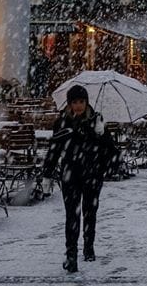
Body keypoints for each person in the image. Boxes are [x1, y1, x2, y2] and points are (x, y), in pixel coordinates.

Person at [43, 84, 116, 273]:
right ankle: (71, 255)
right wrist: (47, 172)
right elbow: (55, 148)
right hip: (71, 174)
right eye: (74, 102)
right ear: (69, 103)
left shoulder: (96, 120)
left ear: (86, 102)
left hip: (92, 174)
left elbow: (110, 148)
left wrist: (100, 137)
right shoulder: (62, 122)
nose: (78, 106)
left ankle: (89, 247)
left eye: (81, 102)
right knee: (72, 216)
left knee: (90, 212)